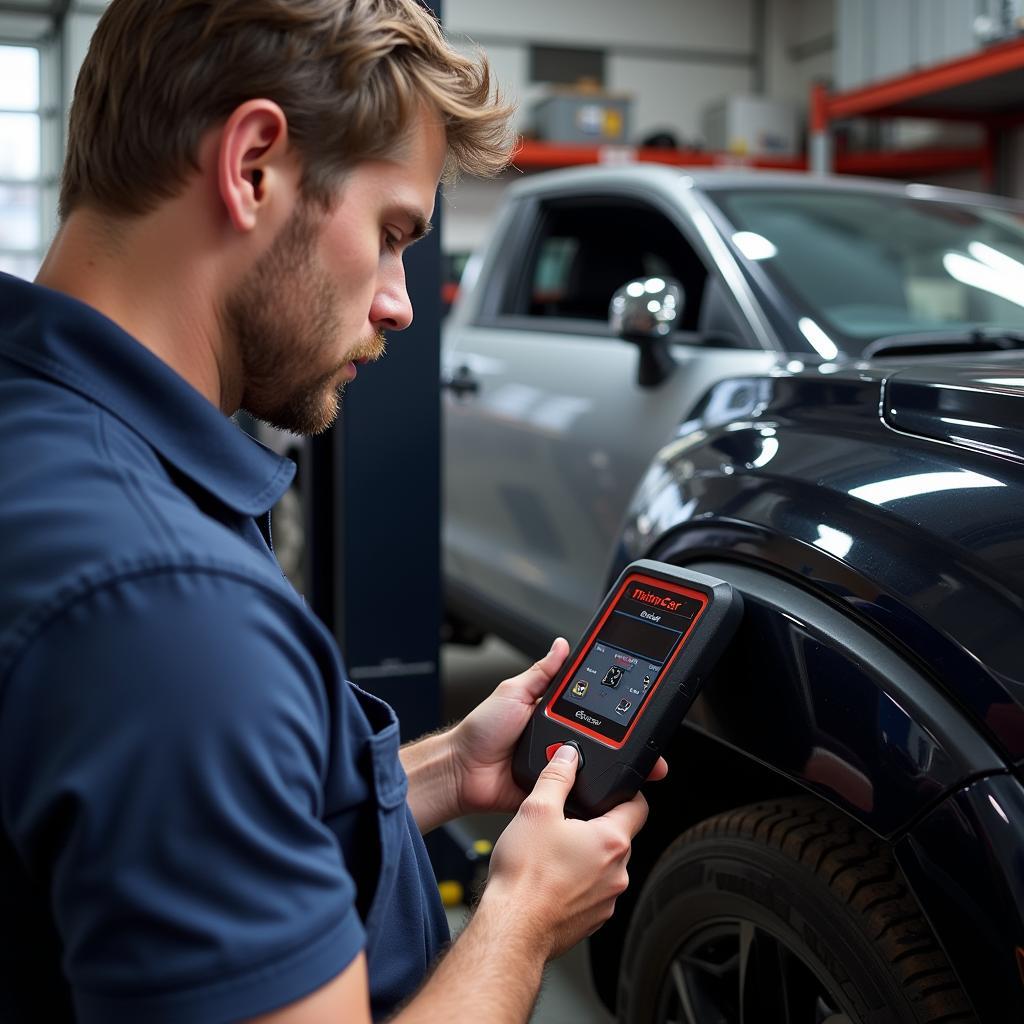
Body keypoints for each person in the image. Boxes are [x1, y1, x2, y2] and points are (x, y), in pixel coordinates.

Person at [0, 2, 665, 1021]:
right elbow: (189, 700)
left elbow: (219, 797)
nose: (401, 300)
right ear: (254, 165)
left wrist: (449, 765)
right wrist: (522, 915)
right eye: (392, 233)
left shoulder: (55, 440)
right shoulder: (166, 612)